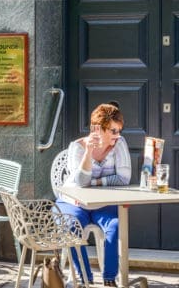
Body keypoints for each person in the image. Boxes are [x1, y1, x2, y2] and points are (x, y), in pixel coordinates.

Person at [56, 102, 131, 287]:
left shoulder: (119, 144)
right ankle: (84, 279)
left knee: (115, 225)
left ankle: (109, 278)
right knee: (70, 226)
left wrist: (95, 183)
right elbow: (81, 182)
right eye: (113, 131)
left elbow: (123, 178)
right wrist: (88, 152)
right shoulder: (77, 147)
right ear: (101, 129)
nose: (118, 135)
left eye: (119, 130)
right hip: (73, 202)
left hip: (103, 203)